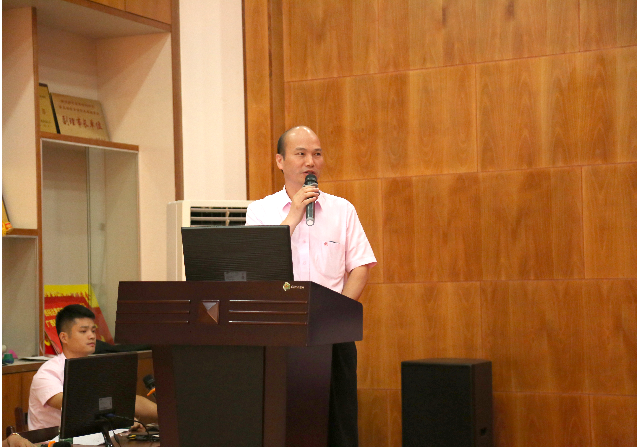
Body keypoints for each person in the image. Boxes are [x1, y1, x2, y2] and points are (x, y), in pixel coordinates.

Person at [246, 125, 376, 447]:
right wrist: (293, 215)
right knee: (284, 422)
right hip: (279, 332)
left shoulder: (342, 210)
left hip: (331, 332)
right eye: (301, 154)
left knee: (338, 423)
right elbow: (258, 267)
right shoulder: (260, 211)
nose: (310, 162)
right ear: (280, 161)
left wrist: (337, 313)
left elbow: (360, 267)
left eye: (317, 154)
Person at [28, 304, 158, 431]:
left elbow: (125, 400)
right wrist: (120, 419)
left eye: (93, 331)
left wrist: (164, 413)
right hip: (52, 441)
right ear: (64, 337)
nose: (92, 336)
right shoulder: (48, 373)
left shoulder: (97, 367)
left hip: (93, 438)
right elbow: (74, 405)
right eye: (83, 331)